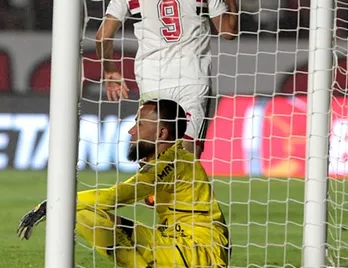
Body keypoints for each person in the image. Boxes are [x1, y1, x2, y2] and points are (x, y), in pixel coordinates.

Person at [17, 99, 230, 268]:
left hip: (199, 251)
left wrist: (50, 204)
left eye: (140, 124)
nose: (131, 131)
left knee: (79, 212)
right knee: (81, 214)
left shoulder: (170, 162)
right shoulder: (173, 161)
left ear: (161, 133)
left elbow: (114, 197)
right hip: (172, 241)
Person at [95, 0, 239, 161]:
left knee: (151, 157)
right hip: (193, 79)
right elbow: (227, 32)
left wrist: (110, 72)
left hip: (153, 80)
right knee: (188, 158)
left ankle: (155, 198)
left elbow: (102, 37)